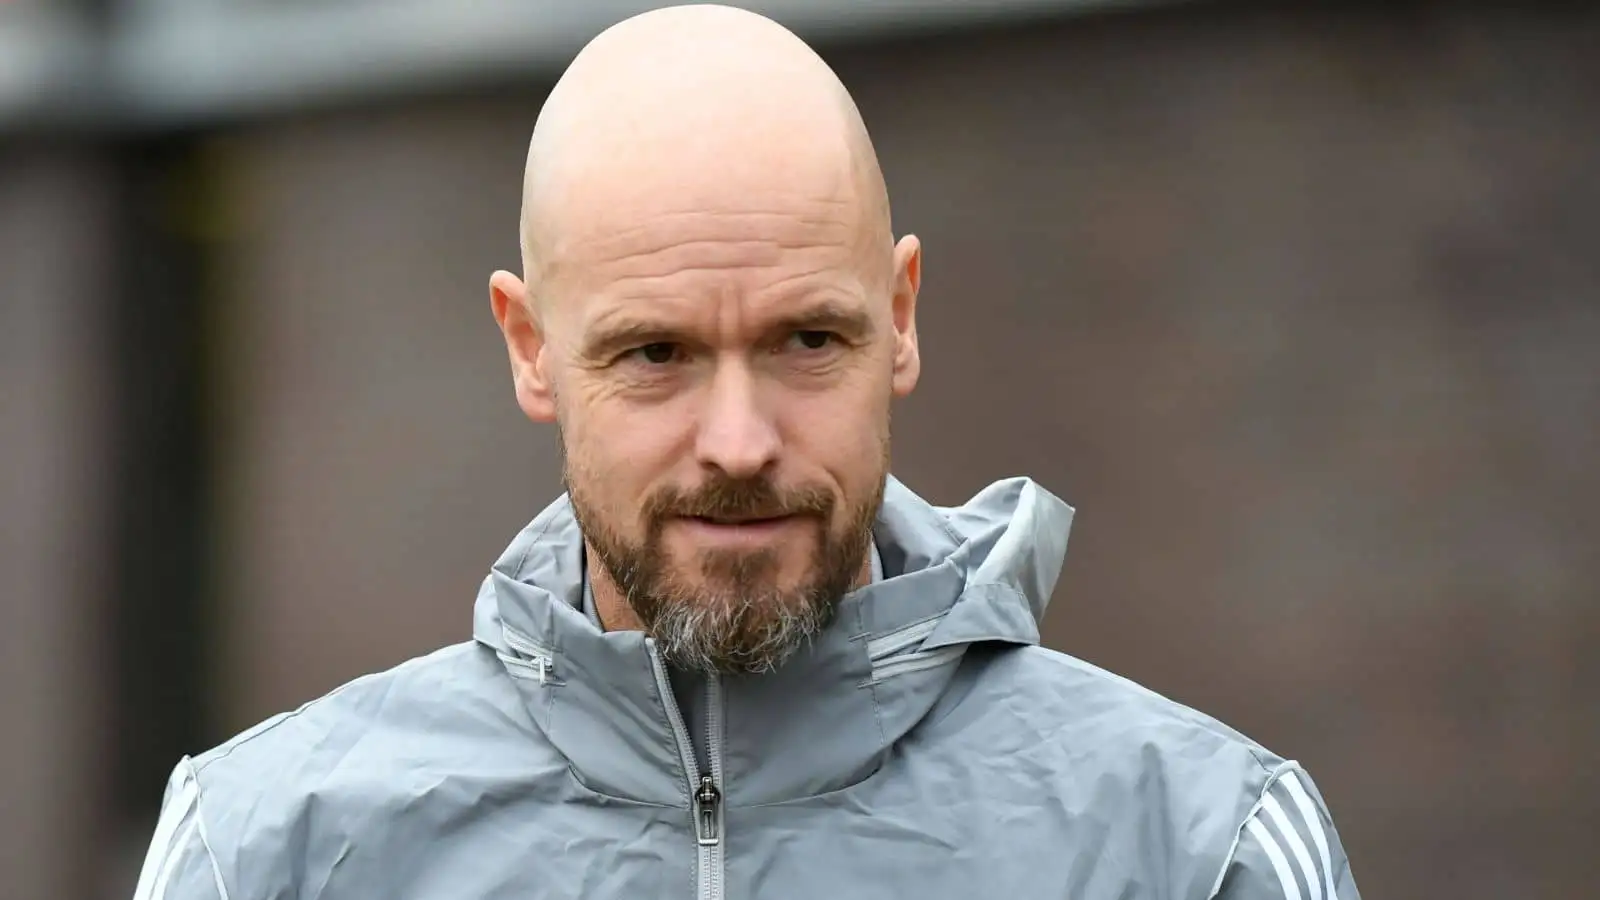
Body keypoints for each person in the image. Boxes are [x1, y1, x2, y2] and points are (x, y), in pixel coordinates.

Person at [131, 5, 1361, 899]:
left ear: (902, 319)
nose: (737, 443)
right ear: (530, 348)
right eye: (655, 354)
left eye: (806, 339)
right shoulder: (260, 852)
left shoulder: (1202, 846)